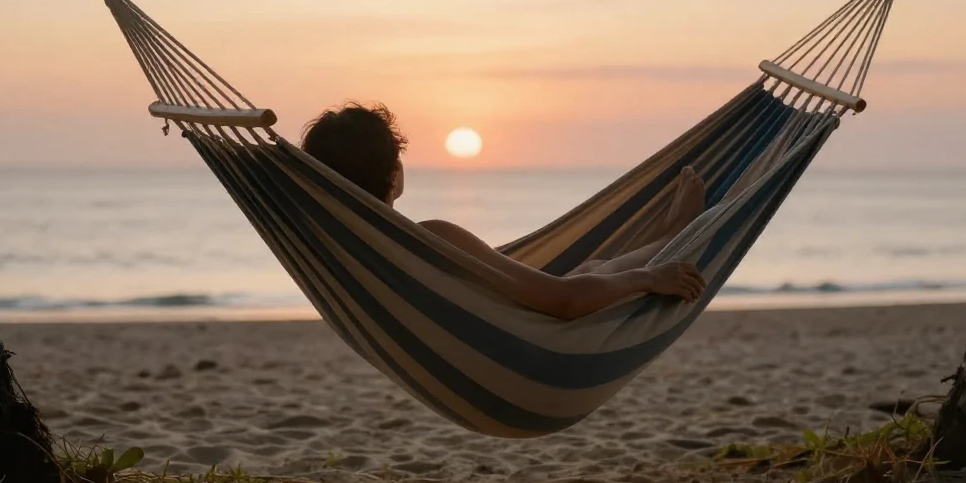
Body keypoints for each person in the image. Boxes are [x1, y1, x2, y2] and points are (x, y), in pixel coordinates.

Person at [301, 102, 707, 321]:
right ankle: (673, 235)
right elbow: (563, 302)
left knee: (590, 269)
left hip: (462, 370)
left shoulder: (331, 251)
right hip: (541, 355)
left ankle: (664, 238)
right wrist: (649, 277)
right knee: (588, 273)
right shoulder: (431, 239)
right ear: (393, 175)